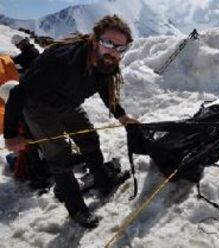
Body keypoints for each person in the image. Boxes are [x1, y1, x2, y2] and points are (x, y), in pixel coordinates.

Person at [4, 15, 138, 228]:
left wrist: (121, 115)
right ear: (95, 41)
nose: (114, 51)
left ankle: (103, 181)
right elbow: (19, 94)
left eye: (120, 48)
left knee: (89, 138)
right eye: (108, 43)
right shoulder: (62, 60)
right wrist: (11, 134)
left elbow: (104, 86)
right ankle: (76, 208)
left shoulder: (109, 62)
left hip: (67, 103)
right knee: (60, 157)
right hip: (39, 109)